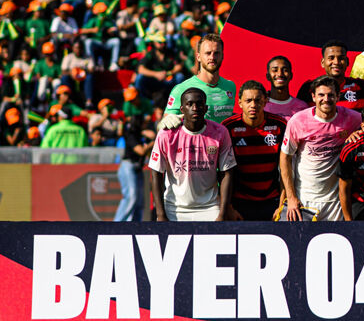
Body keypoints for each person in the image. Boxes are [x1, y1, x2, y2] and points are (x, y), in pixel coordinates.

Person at [279, 75, 362, 221]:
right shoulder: (298, 121)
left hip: (336, 201)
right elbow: (285, 157)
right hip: (305, 198)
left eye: (331, 95)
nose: (326, 99)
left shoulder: (352, 118)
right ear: (313, 96)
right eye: (321, 95)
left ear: (338, 96)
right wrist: (291, 197)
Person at [147, 88, 237, 222]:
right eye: (190, 104)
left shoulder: (220, 132)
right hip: (174, 208)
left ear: (206, 108)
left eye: (199, 104)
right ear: (182, 109)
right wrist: (160, 215)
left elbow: (227, 173)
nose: (195, 108)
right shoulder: (166, 134)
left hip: (210, 208)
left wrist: (222, 214)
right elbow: (156, 173)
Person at [222, 80, 288, 221]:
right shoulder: (228, 127)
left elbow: (286, 168)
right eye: (248, 101)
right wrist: (229, 207)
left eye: (258, 100)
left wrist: (282, 205)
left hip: (272, 202)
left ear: (265, 102)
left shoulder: (280, 125)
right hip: (239, 203)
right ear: (239, 103)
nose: (253, 105)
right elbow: (224, 172)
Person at [162, 33, 236, 125]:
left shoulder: (231, 87)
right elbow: (163, 128)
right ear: (198, 57)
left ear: (223, 56)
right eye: (208, 53)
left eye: (216, 53)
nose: (212, 57)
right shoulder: (181, 89)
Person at [296, 40, 364, 111]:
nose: (336, 62)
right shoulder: (308, 88)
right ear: (322, 62)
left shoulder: (362, 86)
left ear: (347, 61)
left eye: (341, 58)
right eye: (331, 58)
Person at [114, 111, 154, 222]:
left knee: (140, 200)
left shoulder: (141, 134)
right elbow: (140, 151)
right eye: (143, 123)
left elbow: (151, 138)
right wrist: (152, 143)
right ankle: (118, 222)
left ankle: (136, 224)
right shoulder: (131, 134)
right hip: (128, 166)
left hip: (137, 168)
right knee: (130, 196)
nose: (146, 125)